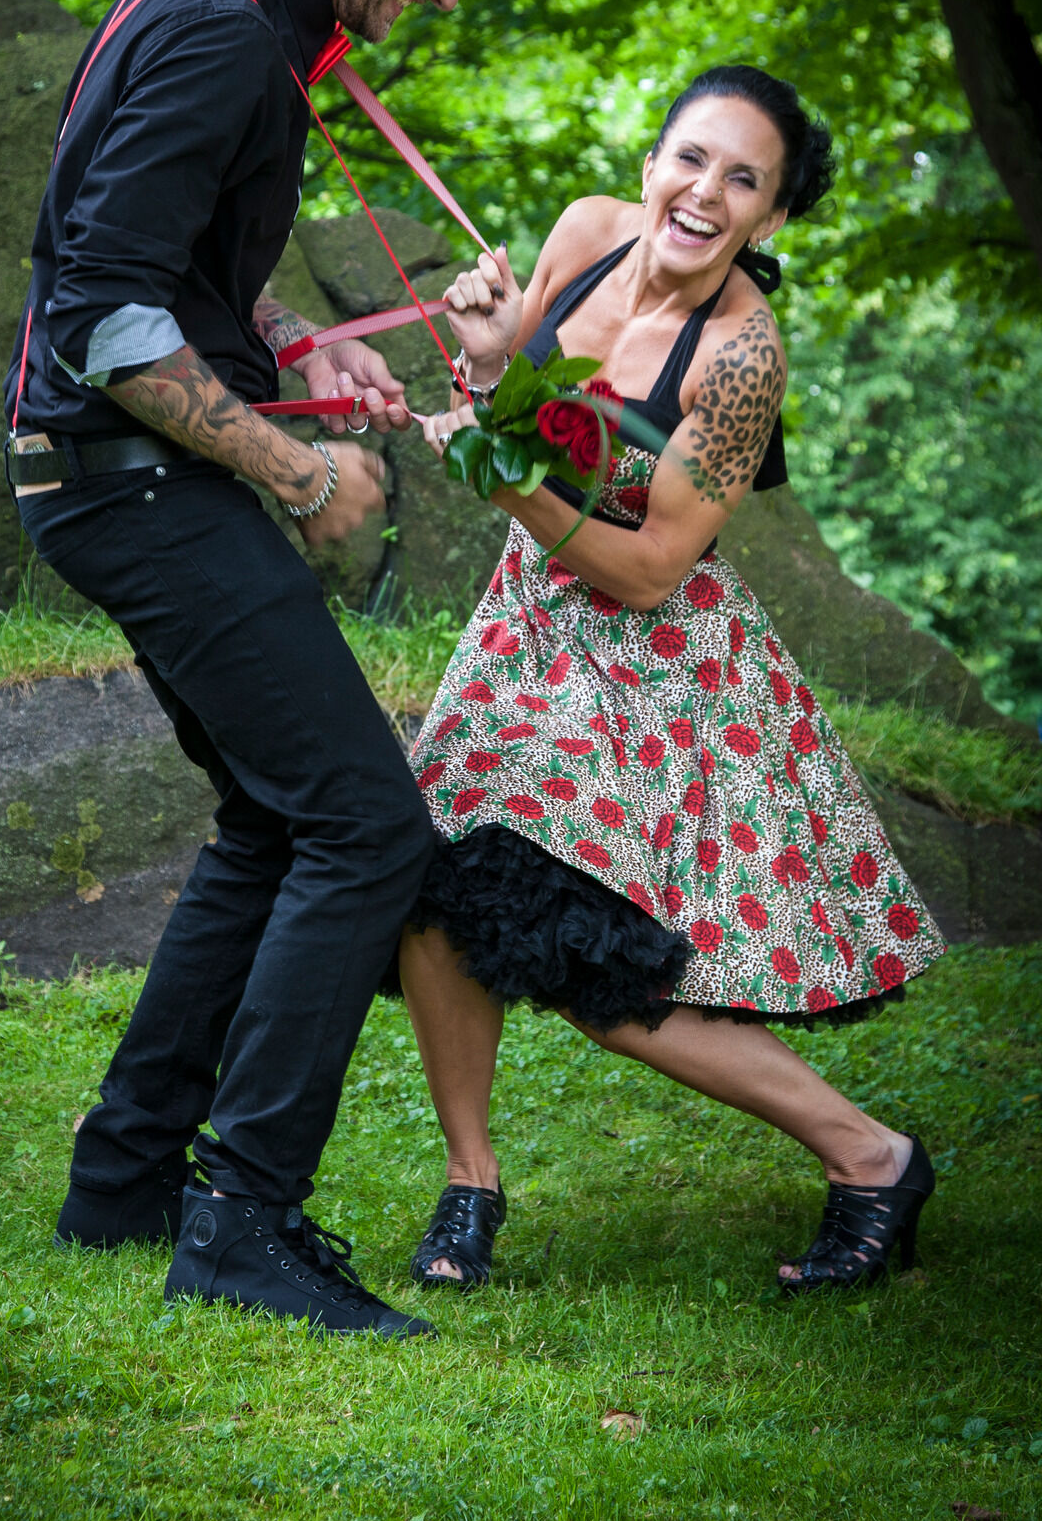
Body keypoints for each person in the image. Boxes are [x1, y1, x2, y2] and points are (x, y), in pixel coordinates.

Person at [3, 0, 552, 1337]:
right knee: (368, 826)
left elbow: (163, 268)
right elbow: (101, 309)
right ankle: (241, 1223)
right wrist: (300, 476)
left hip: (112, 474)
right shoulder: (226, 34)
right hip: (125, 482)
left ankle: (125, 1184)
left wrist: (290, 344)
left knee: (273, 816)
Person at [402, 66, 945, 1297]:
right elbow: (504, 413)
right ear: (649, 164)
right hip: (526, 625)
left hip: (660, 669)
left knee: (595, 962)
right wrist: (483, 366)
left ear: (770, 215)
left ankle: (871, 1157)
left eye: (742, 180)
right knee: (433, 880)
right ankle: (469, 1183)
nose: (704, 192)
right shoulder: (583, 235)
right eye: (689, 158)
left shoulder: (742, 356)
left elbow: (651, 569)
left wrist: (505, 481)